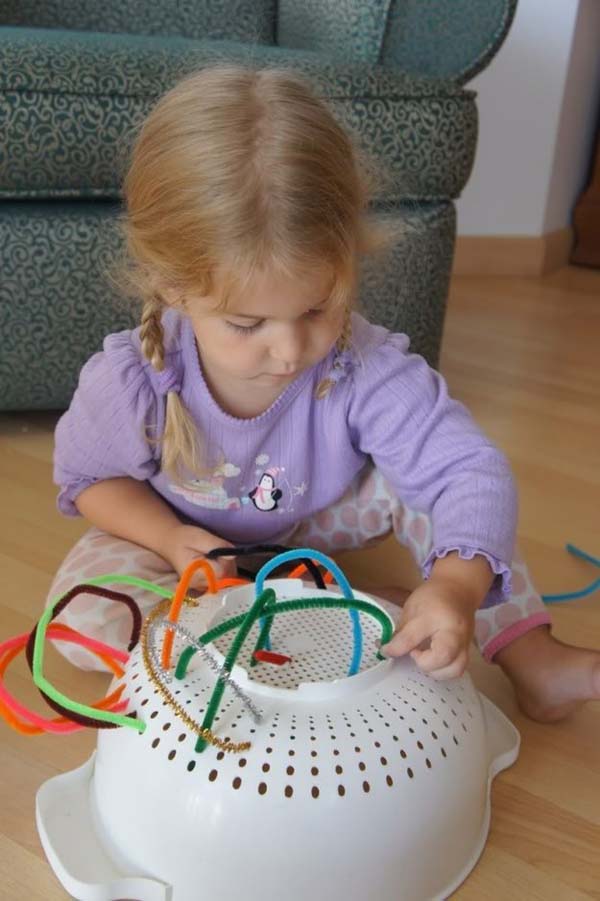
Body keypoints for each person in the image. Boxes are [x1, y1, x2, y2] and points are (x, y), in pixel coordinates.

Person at [49, 64, 599, 723]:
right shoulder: (134, 376)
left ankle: (534, 660)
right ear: (173, 286)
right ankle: (304, 618)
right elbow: (90, 479)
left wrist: (455, 585)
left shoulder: (364, 366)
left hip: (315, 517)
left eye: (316, 309)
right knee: (80, 618)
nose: (289, 351)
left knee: (462, 510)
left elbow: (468, 471)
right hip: (180, 535)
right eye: (246, 324)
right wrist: (169, 538)